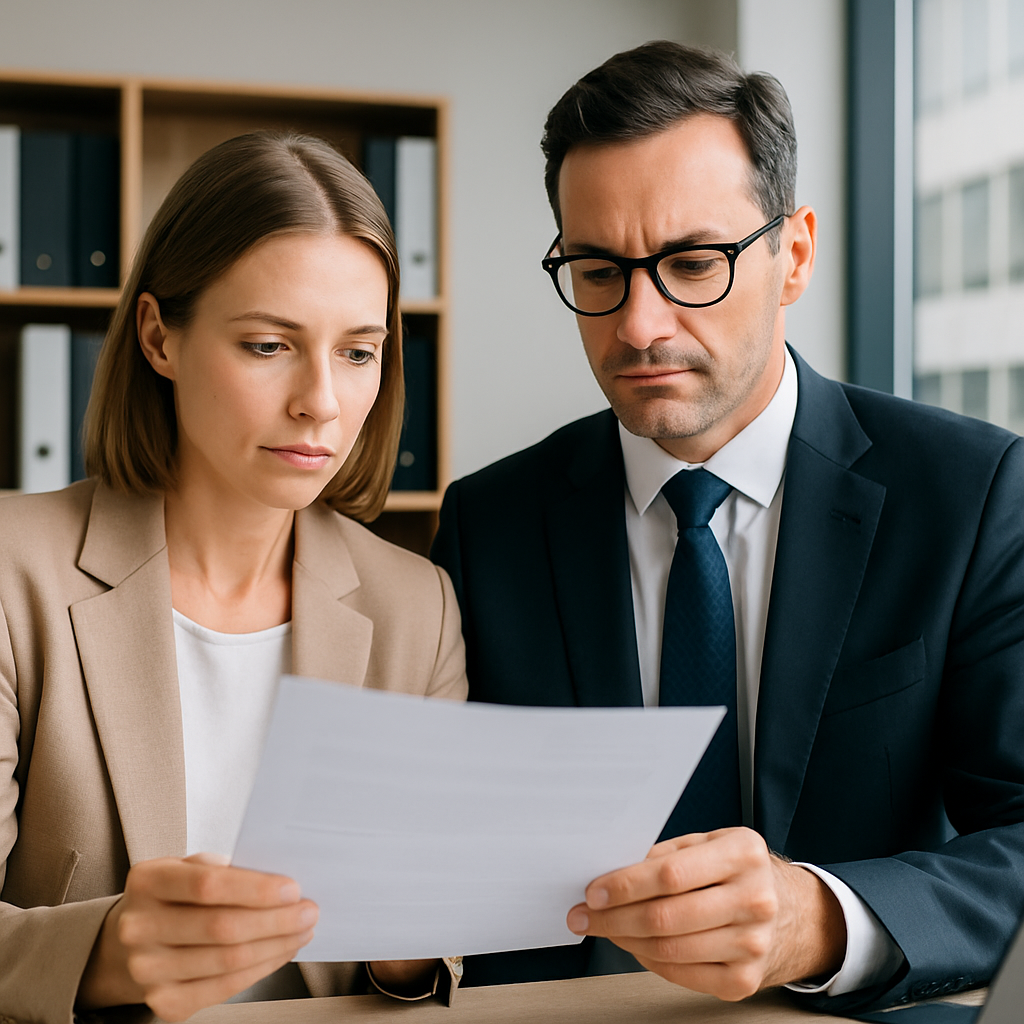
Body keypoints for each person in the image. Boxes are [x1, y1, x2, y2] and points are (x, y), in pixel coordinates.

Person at [431, 41, 1024, 1013]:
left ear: (792, 256)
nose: (638, 324)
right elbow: (442, 850)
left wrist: (824, 917)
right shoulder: (489, 522)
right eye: (596, 270)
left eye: (692, 263)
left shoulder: (968, 494)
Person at [0, 131, 466, 1024]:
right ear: (158, 337)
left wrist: (412, 942)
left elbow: (422, 960)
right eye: (268, 345)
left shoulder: (416, 607)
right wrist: (102, 954)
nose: (321, 402)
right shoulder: (14, 580)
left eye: (358, 352)